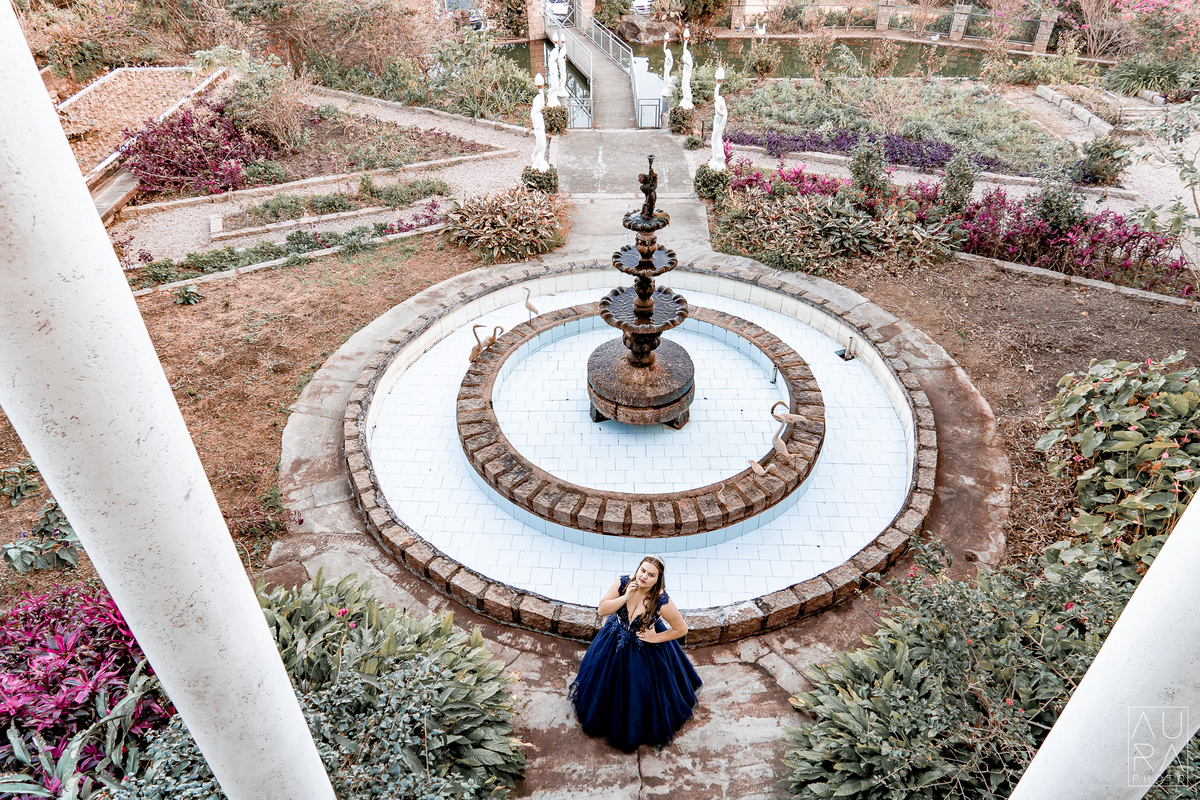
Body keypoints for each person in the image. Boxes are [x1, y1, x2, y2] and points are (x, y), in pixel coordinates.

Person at [568, 556, 703, 753]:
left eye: (651, 575)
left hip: (643, 650)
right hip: (612, 640)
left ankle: (633, 727)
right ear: (637, 569)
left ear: (658, 579)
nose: (644, 577)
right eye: (643, 571)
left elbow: (681, 629)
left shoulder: (661, 600)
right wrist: (625, 598)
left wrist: (654, 638)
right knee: (604, 684)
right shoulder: (624, 584)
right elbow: (602, 609)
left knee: (638, 691)